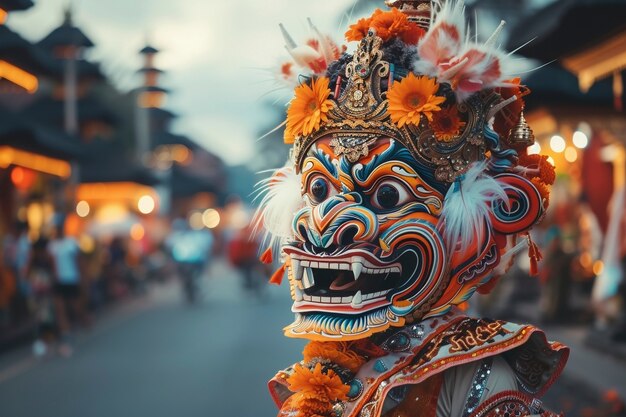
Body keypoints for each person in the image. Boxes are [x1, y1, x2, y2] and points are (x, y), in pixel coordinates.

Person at [258, 2, 568, 416]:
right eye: (319, 190)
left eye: (387, 196)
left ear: (467, 224)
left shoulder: (474, 374)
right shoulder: (328, 366)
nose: (327, 222)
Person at [48, 222, 83, 357]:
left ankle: (76, 324)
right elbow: (51, 263)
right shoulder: (52, 245)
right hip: (59, 281)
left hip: (72, 279)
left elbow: (78, 260)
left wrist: (82, 278)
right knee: (60, 309)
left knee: (74, 307)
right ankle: (66, 334)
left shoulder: (71, 242)